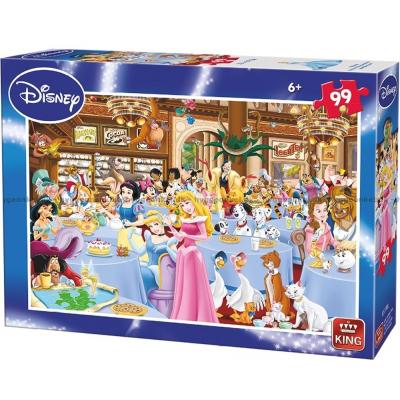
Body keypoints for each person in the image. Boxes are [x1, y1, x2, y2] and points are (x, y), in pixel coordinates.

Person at [163, 191, 218, 323]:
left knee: (194, 285)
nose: (186, 207)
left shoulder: (200, 219)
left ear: (194, 202)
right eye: (182, 205)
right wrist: (170, 225)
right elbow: (179, 237)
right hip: (183, 253)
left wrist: (187, 236)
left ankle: (196, 314)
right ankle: (184, 312)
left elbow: (204, 236)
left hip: (193, 253)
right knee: (184, 285)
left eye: (187, 203)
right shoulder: (185, 219)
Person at [129, 210, 178, 296]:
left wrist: (167, 248)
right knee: (132, 269)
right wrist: (130, 239)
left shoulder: (169, 241)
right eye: (151, 226)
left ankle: (144, 299)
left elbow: (177, 260)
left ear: (162, 223)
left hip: (161, 273)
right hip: (149, 267)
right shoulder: (150, 238)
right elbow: (139, 252)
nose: (154, 228)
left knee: (142, 273)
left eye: (156, 224)